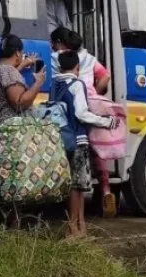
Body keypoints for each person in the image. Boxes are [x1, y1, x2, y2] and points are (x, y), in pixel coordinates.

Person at [49, 51, 117, 238]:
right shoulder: (77, 84)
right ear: (77, 67)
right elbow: (81, 113)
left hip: (60, 139)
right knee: (77, 186)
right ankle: (73, 229)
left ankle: (81, 228)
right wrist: (105, 121)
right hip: (78, 139)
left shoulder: (54, 84)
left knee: (73, 185)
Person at [0, 34, 46, 130]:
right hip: (13, 131)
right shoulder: (9, 71)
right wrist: (38, 83)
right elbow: (19, 104)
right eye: (22, 52)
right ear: (17, 53)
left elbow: (6, 80)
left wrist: (21, 66)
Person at [50, 27, 110, 97]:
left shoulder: (55, 57)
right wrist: (93, 93)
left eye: (53, 43)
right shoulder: (88, 57)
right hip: (88, 97)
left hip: (67, 97)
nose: (52, 47)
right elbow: (106, 76)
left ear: (58, 42)